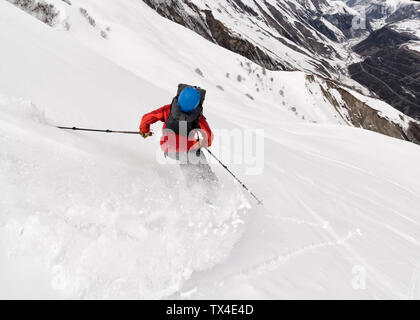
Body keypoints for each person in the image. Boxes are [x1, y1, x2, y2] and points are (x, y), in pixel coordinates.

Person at [139, 84, 217, 184]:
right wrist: (201, 142)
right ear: (196, 105)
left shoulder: (168, 110)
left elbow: (146, 118)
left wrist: (144, 131)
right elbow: (209, 139)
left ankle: (192, 186)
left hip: (168, 149)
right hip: (189, 150)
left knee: (185, 162)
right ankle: (211, 184)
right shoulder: (198, 118)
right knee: (199, 162)